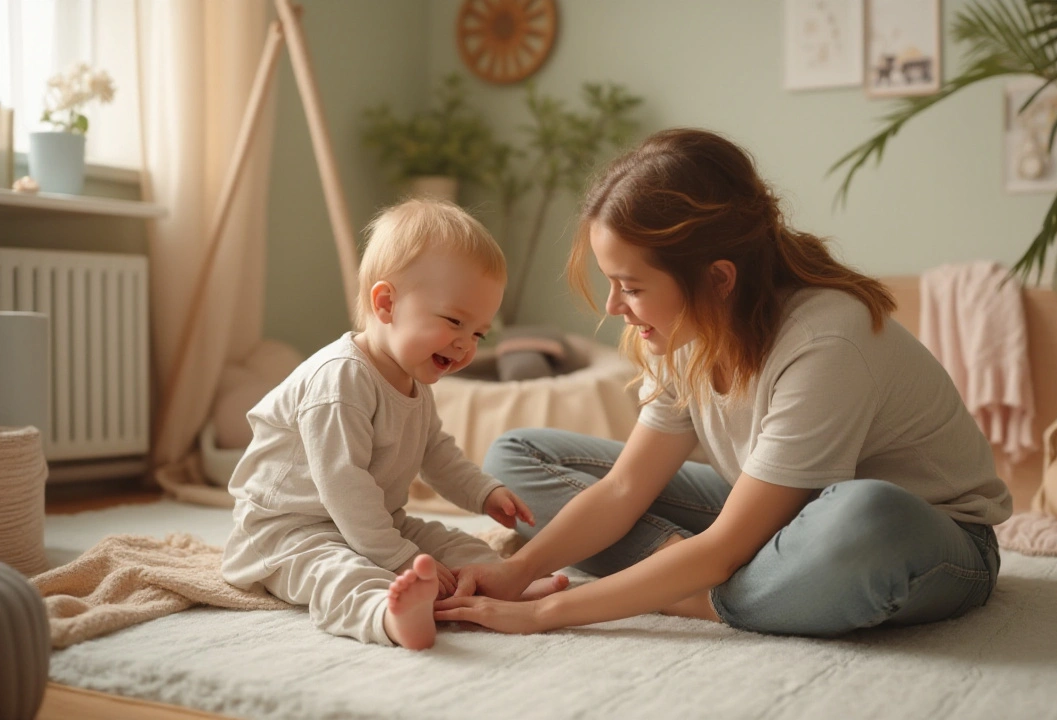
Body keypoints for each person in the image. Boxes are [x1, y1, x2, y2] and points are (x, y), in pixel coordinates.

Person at [434, 128, 1011, 637]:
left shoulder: (825, 341)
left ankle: (701, 597)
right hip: (765, 516)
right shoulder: (682, 332)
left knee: (865, 517)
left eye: (631, 287)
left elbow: (727, 546)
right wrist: (516, 573)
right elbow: (621, 491)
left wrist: (544, 613)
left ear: (717, 279)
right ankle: (721, 581)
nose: (615, 307)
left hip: (928, 539)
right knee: (516, 455)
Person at [222, 198, 565, 650]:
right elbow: (342, 484)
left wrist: (483, 491)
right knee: (339, 573)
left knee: (454, 544)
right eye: (454, 322)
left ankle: (500, 585)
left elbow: (437, 453)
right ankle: (389, 616)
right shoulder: (340, 379)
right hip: (289, 531)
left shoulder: (414, 380)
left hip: (373, 520)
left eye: (479, 333)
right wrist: (400, 558)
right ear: (386, 303)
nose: (466, 346)